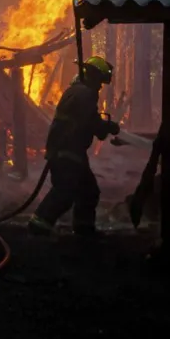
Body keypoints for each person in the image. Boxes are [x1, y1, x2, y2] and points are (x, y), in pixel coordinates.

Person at [28, 56, 120, 238]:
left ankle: (84, 229)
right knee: (64, 191)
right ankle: (39, 225)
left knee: (89, 191)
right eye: (100, 82)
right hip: (68, 149)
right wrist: (108, 127)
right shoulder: (85, 94)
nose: (100, 87)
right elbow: (91, 123)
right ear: (93, 76)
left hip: (70, 149)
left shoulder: (76, 91)